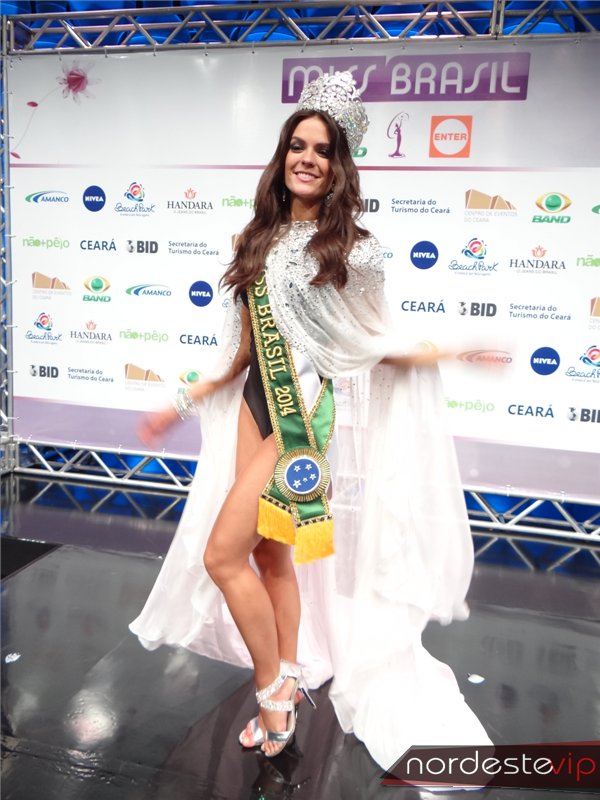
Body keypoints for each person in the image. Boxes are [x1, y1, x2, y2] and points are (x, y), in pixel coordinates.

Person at [131, 71, 491, 770]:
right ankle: (289, 675)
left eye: (323, 150)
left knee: (221, 556)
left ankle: (275, 693)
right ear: (282, 153)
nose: (307, 158)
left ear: (338, 166)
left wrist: (450, 349)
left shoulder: (353, 248)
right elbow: (240, 353)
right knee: (269, 558)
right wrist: (179, 403)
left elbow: (376, 342)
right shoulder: (255, 237)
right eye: (298, 145)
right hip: (252, 406)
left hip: (299, 418)